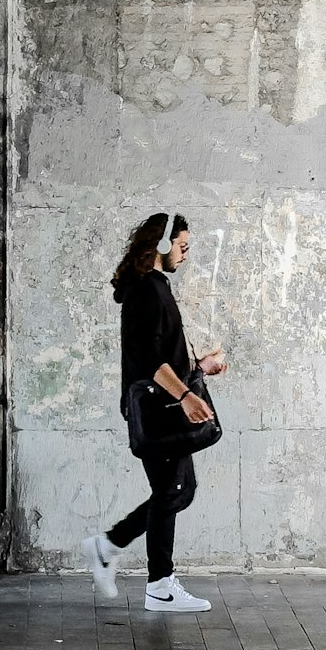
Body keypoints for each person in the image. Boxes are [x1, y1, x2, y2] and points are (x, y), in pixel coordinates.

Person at [81, 211, 227, 613]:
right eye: (182, 246)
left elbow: (164, 354)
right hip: (162, 411)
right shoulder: (147, 290)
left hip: (166, 408)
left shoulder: (155, 287)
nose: (185, 255)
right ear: (161, 245)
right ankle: (159, 584)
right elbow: (150, 360)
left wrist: (199, 367)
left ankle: (109, 546)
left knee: (180, 491)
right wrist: (185, 396)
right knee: (171, 492)